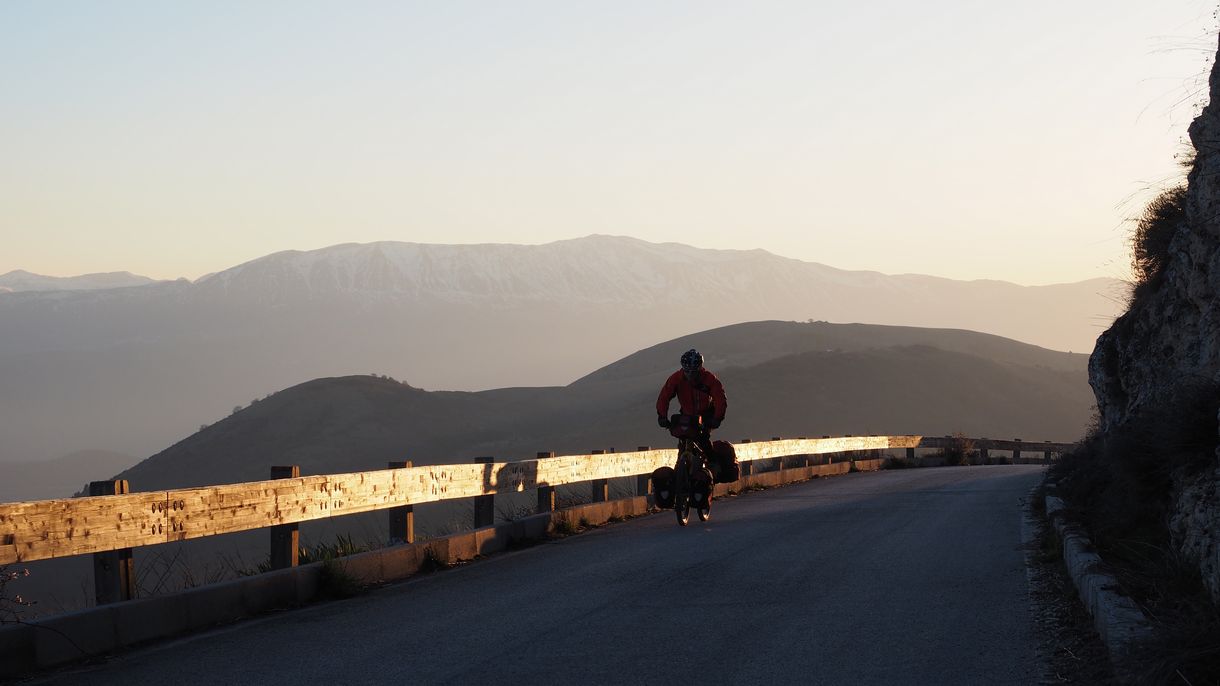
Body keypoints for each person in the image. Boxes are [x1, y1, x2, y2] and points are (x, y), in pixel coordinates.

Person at [656, 349, 727, 462]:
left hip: (706, 413)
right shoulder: (676, 379)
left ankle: (713, 465)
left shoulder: (709, 379)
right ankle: (680, 468)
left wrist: (717, 418)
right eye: (687, 371)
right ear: (683, 368)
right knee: (683, 442)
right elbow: (664, 397)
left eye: (694, 371)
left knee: (704, 440)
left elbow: (720, 399)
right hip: (687, 414)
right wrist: (662, 416)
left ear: (700, 368)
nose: (690, 374)